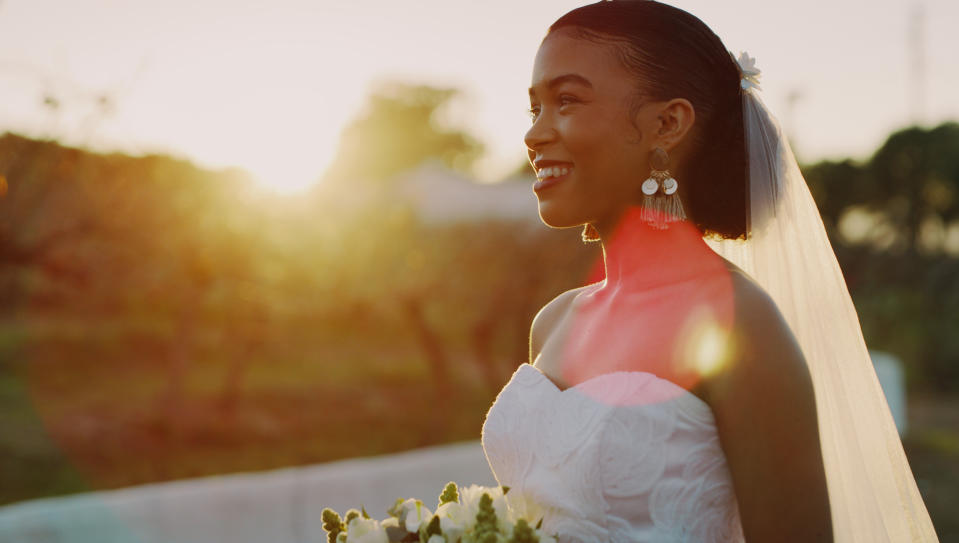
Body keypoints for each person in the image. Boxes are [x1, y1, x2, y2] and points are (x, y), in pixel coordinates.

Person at [480, 1, 939, 541]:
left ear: (667, 124)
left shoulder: (739, 324)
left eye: (566, 101)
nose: (534, 135)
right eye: (533, 108)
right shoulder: (552, 323)